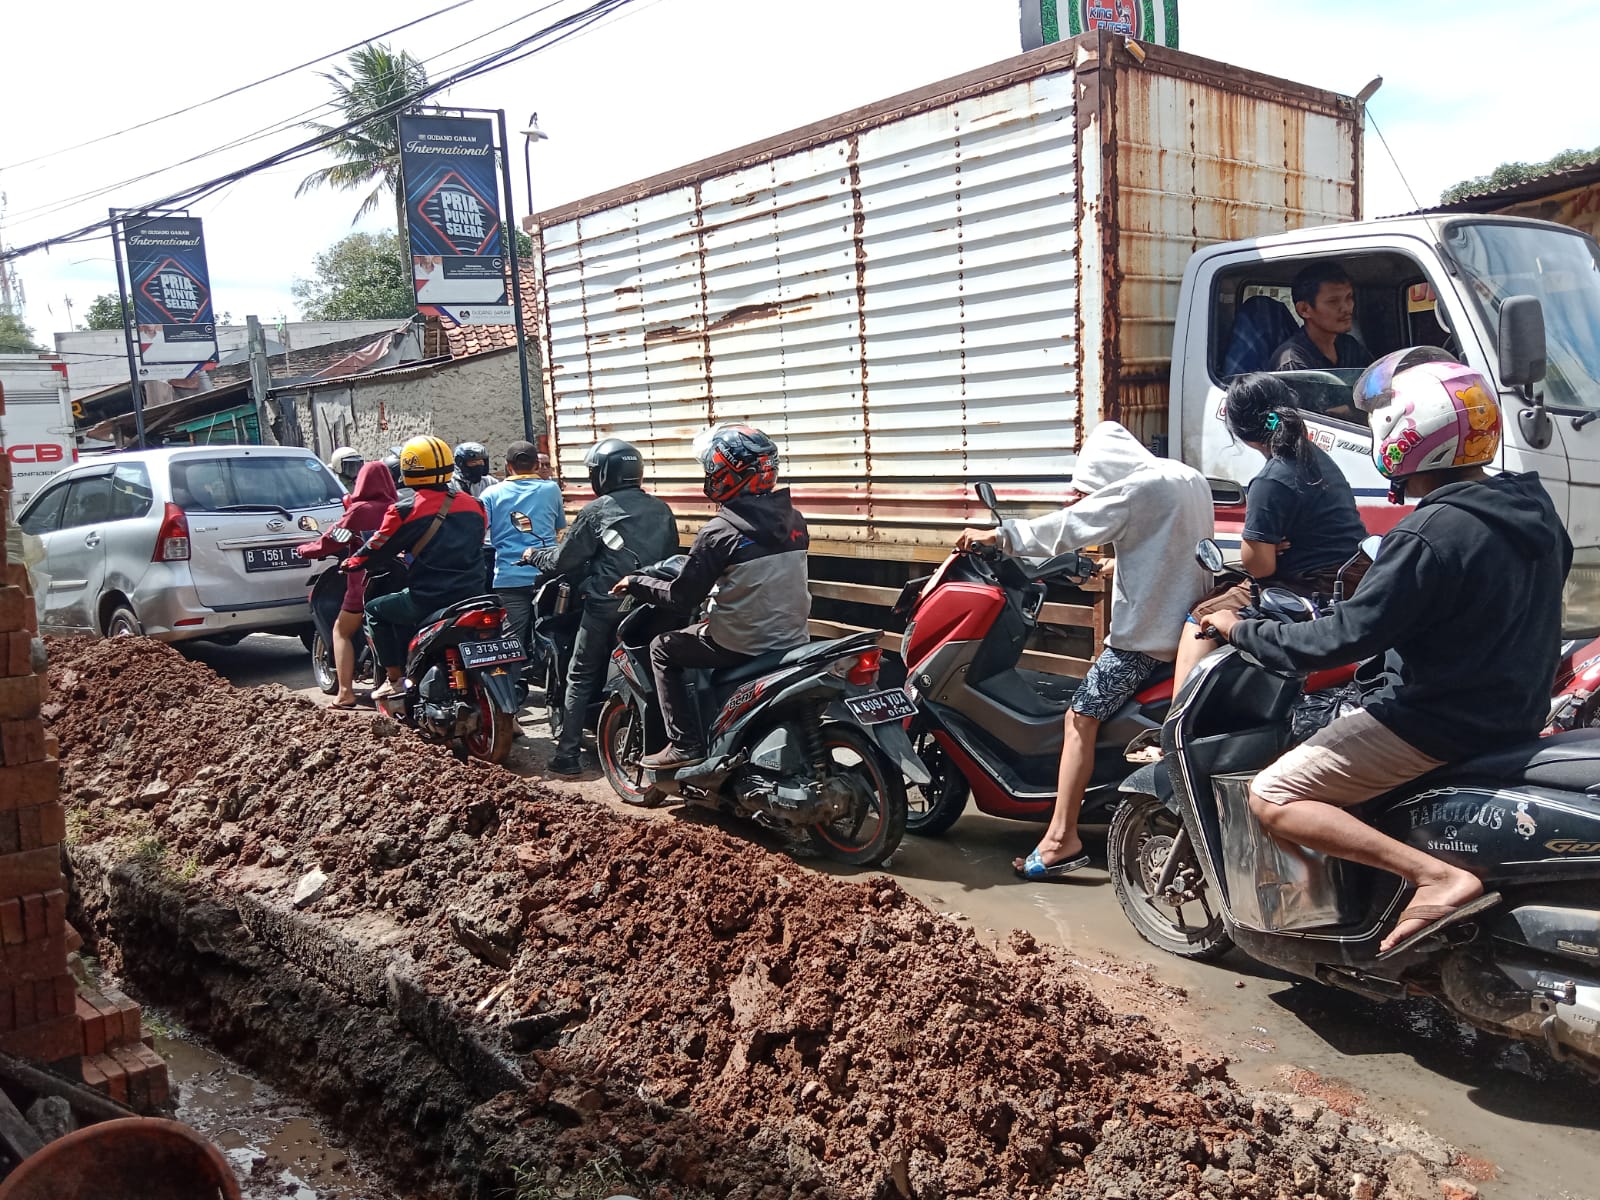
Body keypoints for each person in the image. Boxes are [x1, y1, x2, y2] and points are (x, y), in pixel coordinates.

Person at [1200, 352, 1571, 954]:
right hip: (1517, 710)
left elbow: (1335, 641)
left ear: (1402, 436)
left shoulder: (1429, 534)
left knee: (1273, 795)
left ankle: (1435, 876)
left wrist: (1241, 630)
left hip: (1436, 722)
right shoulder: (1534, 510)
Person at [957, 421, 1213, 880]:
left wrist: (1001, 536)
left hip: (1145, 642)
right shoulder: (1186, 477)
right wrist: (1120, 558)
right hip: (1192, 628)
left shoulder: (1136, 489)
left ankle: (1060, 837)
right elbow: (1168, 542)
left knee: (1080, 718)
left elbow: (1066, 527)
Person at [613, 423, 810, 771]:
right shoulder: (794, 519)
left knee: (663, 647)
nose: (710, 475)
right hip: (792, 637)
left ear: (728, 474)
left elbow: (681, 598)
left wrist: (636, 583)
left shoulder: (720, 531)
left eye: (713, 469)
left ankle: (684, 743)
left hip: (741, 642)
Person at [1173, 373, 1367, 685]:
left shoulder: (1271, 479)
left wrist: (1262, 549)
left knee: (1200, 616)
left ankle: (1175, 722)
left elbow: (1260, 568)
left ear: (1240, 431)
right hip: (1348, 578)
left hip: (1309, 587)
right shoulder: (1316, 458)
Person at [524, 438, 678, 778]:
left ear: (604, 474)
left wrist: (533, 555)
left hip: (606, 606)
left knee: (580, 674)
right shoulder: (661, 509)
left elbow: (564, 559)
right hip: (649, 605)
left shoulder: (598, 510)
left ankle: (566, 755)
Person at [344, 437, 490, 701]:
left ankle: (394, 680)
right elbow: (478, 542)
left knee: (374, 611)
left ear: (408, 470)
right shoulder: (475, 505)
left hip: (429, 597)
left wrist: (352, 562)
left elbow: (377, 546)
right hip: (474, 593)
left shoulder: (405, 509)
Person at [296, 462, 397, 708]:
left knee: (341, 631)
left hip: (362, 586)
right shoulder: (398, 508)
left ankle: (345, 693)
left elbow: (331, 540)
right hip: (398, 581)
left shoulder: (358, 511)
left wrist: (304, 550)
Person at [479, 441, 568, 656]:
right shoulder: (551, 489)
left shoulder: (491, 494)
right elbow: (559, 526)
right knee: (554, 633)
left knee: (512, 640)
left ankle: (513, 684)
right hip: (547, 575)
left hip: (509, 576)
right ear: (537, 465)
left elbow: (479, 531)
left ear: (508, 466)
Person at [1270, 261, 1373, 372]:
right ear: (1304, 309)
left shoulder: (1349, 346)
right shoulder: (1293, 361)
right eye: (1333, 301)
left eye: (1349, 297)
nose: (1347, 308)